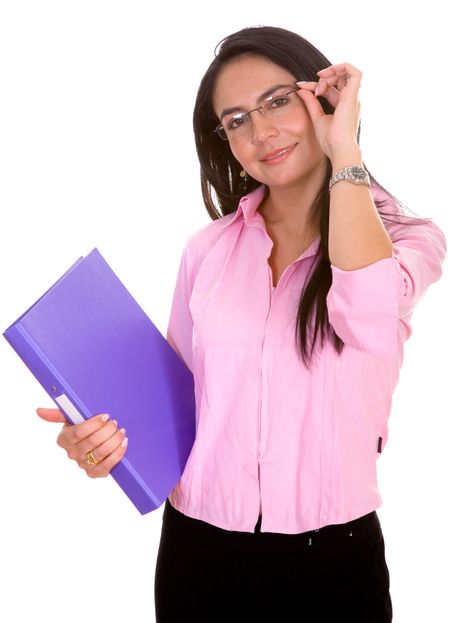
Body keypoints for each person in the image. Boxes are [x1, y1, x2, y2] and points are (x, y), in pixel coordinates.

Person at [37, 25, 446, 622]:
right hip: (197, 554)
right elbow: (175, 406)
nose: (261, 133)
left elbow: (365, 314)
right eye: (236, 120)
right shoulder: (207, 251)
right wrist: (105, 445)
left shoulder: (409, 241)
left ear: (323, 98)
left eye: (279, 101)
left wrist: (345, 151)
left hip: (332, 561)